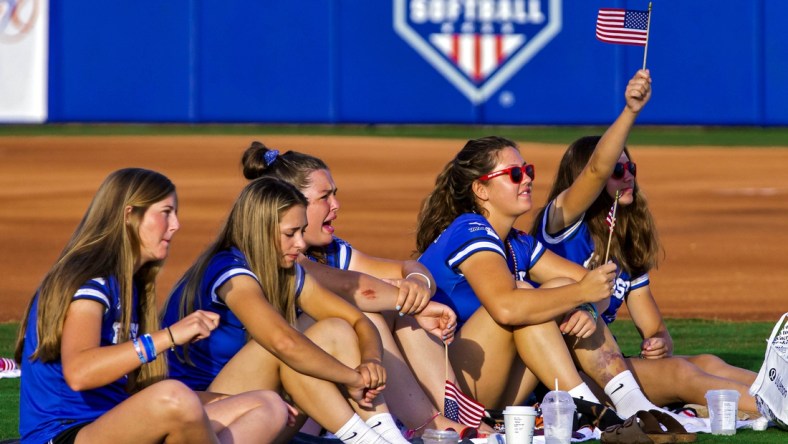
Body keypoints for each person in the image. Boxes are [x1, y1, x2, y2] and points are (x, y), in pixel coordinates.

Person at [413, 72, 701, 429]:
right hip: (451, 390)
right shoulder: (468, 230)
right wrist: (578, 294)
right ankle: (592, 410)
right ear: (481, 190)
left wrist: (589, 308)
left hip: (502, 385)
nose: (529, 179)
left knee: (551, 296)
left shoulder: (519, 243)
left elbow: (595, 285)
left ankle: (629, 405)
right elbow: (505, 306)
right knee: (527, 296)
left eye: (528, 170)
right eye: (514, 174)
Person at [14, 168, 291, 444]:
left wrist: (226, 401)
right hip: (63, 434)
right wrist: (168, 337)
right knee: (174, 396)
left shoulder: (132, 284)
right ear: (129, 215)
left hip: (119, 426)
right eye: (166, 212)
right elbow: (79, 373)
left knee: (267, 405)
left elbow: (136, 395)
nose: (176, 225)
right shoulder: (90, 279)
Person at [530, 99, 760, 413]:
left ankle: (774, 392)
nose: (628, 176)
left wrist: (659, 342)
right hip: (557, 374)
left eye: (631, 168)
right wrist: (631, 110)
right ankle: (773, 406)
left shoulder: (624, 246)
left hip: (600, 365)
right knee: (681, 374)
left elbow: (654, 328)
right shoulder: (562, 222)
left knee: (707, 362)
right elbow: (596, 170)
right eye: (618, 170)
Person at [241, 143, 482, 436]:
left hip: (304, 391)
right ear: (292, 202)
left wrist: (418, 285)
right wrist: (416, 303)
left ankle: (442, 421)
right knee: (365, 313)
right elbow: (350, 286)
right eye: (325, 197)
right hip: (263, 402)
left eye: (335, 194)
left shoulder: (329, 250)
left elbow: (406, 267)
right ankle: (421, 427)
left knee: (397, 313)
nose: (336, 205)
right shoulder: (275, 253)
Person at [162, 177, 413, 444]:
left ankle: (388, 437)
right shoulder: (229, 270)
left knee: (335, 328)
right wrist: (353, 378)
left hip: (261, 409)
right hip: (206, 416)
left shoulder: (286, 271)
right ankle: (369, 440)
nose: (301, 244)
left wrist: (371, 361)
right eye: (290, 233)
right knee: (285, 347)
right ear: (259, 229)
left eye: (302, 232)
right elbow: (283, 344)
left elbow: (357, 321)